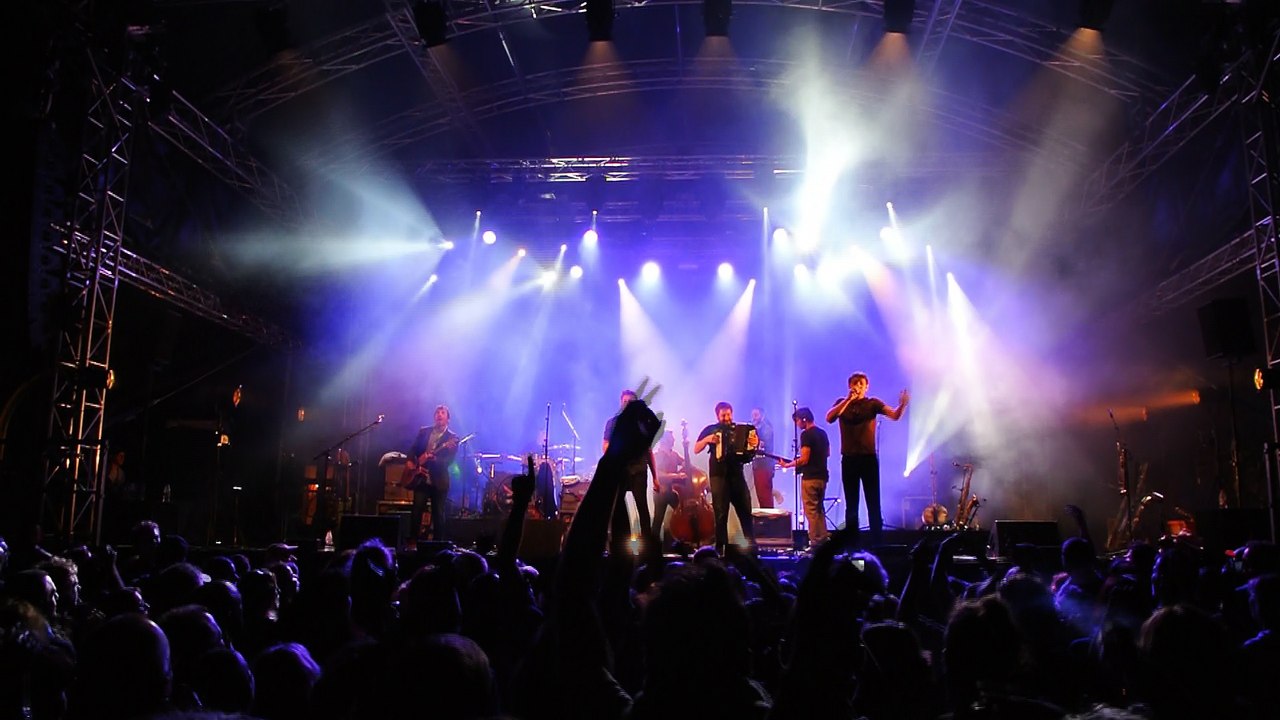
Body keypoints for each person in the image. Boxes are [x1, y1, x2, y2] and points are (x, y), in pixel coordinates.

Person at [825, 372, 908, 547]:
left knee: (873, 502)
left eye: (861, 384)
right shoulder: (842, 403)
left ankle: (877, 543)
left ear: (867, 386)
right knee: (851, 504)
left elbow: (894, 415)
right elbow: (829, 418)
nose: (858, 387)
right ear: (849, 386)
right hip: (849, 460)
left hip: (868, 460)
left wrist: (902, 405)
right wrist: (848, 400)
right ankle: (852, 543)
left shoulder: (872, 404)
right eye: (855, 384)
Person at [693, 401, 758, 555]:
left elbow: (752, 448)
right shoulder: (711, 430)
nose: (727, 418)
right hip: (718, 476)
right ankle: (721, 549)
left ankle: (752, 549)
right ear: (718, 416)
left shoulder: (742, 429)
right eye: (723, 415)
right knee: (720, 514)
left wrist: (755, 443)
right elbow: (696, 448)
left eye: (729, 414)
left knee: (745, 510)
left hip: (737, 475)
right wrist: (708, 439)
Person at [603, 389, 659, 554]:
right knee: (617, 508)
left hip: (639, 470)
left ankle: (647, 545)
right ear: (621, 403)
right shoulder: (613, 422)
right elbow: (605, 444)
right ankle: (617, 544)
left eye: (631, 401)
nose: (627, 404)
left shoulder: (641, 424)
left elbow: (649, 451)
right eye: (625, 401)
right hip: (620, 470)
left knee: (642, 508)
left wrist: (656, 477)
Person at [778, 407, 830, 549]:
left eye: (797, 421)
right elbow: (828, 453)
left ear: (804, 419)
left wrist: (788, 465)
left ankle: (815, 544)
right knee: (820, 509)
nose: (797, 425)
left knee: (811, 512)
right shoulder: (823, 433)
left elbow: (805, 459)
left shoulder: (806, 435)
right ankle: (824, 541)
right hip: (822, 477)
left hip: (810, 478)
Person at [408, 405, 460, 543]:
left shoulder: (453, 438)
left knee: (438, 514)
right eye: (437, 412)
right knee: (416, 511)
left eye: (443, 413)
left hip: (439, 481)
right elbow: (413, 449)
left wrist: (435, 459)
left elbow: (449, 461)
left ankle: (438, 545)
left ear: (448, 418)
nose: (439, 415)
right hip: (421, 478)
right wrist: (411, 461)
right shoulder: (424, 431)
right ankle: (413, 542)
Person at [750, 406, 776, 508]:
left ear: (762, 415)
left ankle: (768, 520)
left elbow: (763, 444)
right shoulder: (755, 427)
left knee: (765, 496)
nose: (754, 418)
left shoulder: (766, 428)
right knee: (761, 494)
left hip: (765, 465)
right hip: (758, 465)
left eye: (756, 415)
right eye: (753, 415)